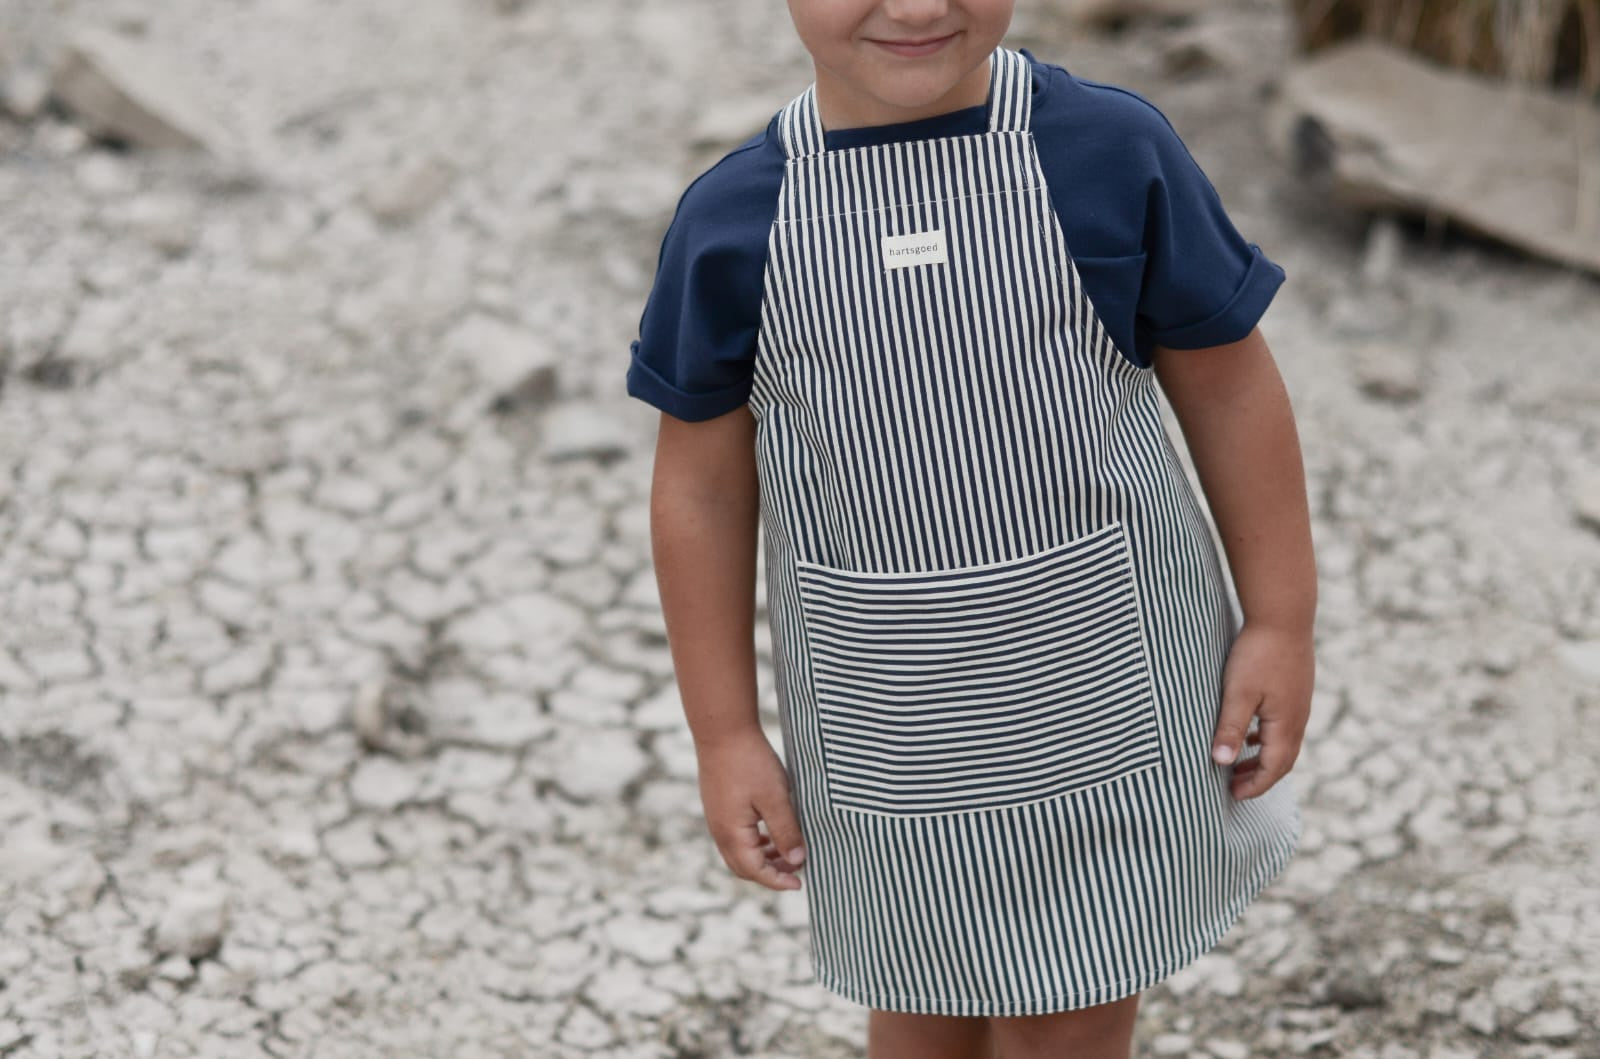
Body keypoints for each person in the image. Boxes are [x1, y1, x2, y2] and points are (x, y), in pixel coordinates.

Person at [624, 2, 1317, 1056]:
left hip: (1106, 697)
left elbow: (1227, 389)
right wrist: (724, 735)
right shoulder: (734, 223)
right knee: (919, 993)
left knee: (1071, 1005)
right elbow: (700, 492)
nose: (914, 6)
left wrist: (1279, 617)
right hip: (887, 725)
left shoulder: (1107, 154)